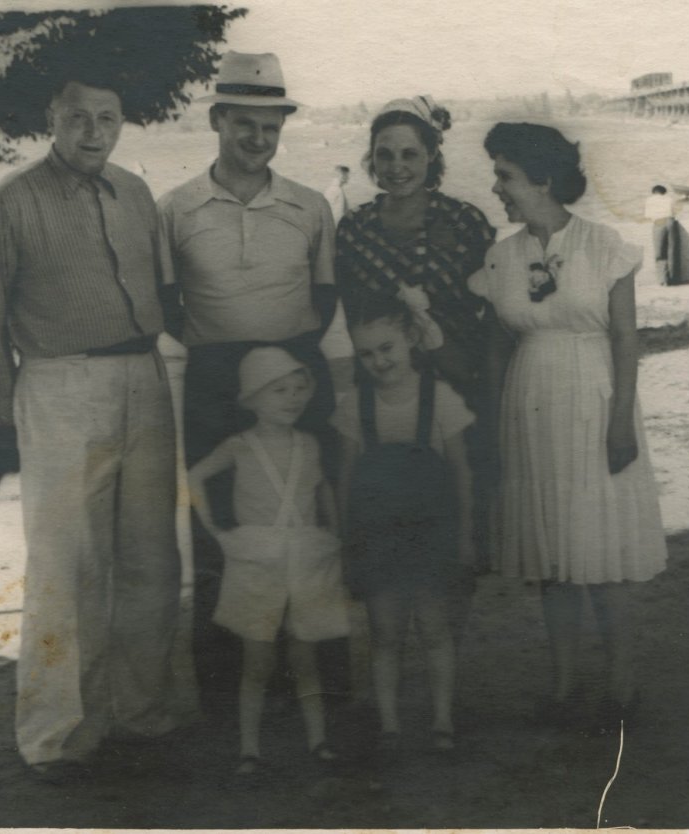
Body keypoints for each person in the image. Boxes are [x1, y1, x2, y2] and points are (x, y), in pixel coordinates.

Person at [0, 71, 181, 780]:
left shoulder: (135, 193)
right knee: (66, 566)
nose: (93, 131)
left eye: (107, 117)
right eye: (78, 116)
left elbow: (164, 292)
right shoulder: (14, 199)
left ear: (122, 123)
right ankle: (56, 734)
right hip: (59, 384)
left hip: (144, 378)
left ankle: (142, 714)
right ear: (51, 118)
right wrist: (14, 413)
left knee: (151, 558)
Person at [156, 51, 342, 714]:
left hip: (294, 372)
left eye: (271, 127)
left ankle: (315, 682)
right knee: (220, 530)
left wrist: (282, 359)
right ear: (217, 120)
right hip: (213, 380)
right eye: (245, 124)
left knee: (304, 520)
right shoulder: (175, 209)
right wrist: (227, 356)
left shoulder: (310, 207)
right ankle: (225, 688)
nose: (258, 139)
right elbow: (167, 305)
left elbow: (325, 297)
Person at [472, 123, 668, 733]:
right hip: (529, 406)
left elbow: (626, 341)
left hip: (594, 400)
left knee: (602, 552)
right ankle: (561, 686)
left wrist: (621, 422)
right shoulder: (501, 256)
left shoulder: (604, 246)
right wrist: (493, 425)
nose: (496, 188)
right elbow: (496, 347)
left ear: (543, 179)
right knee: (551, 555)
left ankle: (621, 685)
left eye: (505, 175)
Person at [335, 95, 500, 578]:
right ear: (371, 159)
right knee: (390, 538)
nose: (396, 166)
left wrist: (491, 395)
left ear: (432, 156)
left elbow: (494, 314)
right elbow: (347, 316)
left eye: (409, 154)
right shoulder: (355, 229)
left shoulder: (465, 221)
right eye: (384, 154)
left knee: (457, 539)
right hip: (385, 399)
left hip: (457, 393)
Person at [186, 347, 348, 775]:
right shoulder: (239, 446)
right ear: (252, 398)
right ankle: (249, 749)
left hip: (305, 558)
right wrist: (217, 533)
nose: (292, 399)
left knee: (305, 658)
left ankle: (318, 740)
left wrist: (333, 531)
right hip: (258, 562)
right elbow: (194, 477)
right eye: (279, 391)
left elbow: (322, 487)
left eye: (298, 389)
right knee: (257, 660)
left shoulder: (308, 444)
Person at [333, 294, 476, 754]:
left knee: (435, 629)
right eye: (366, 353)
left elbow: (461, 472)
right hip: (377, 535)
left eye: (386, 348)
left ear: (411, 338)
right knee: (385, 633)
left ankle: (442, 719)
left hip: (431, 532)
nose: (379, 361)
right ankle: (390, 724)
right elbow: (345, 478)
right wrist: (346, 540)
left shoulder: (440, 397)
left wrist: (465, 536)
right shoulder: (355, 405)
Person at [643, 184, 680, 286]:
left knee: (659, 252)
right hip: (671, 222)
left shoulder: (649, 200)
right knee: (671, 250)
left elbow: (648, 215)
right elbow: (674, 213)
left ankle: (663, 280)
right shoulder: (669, 199)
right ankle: (672, 278)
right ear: (664, 192)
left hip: (659, 222)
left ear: (654, 192)